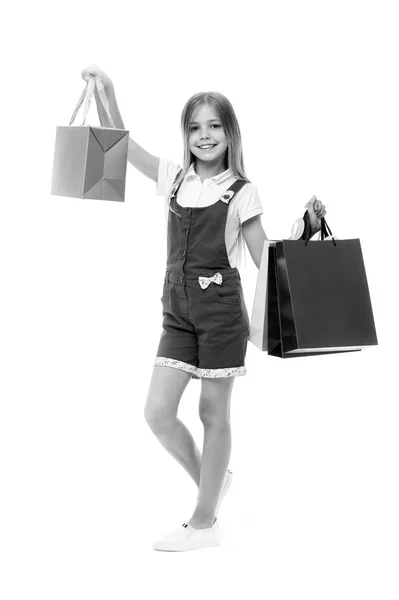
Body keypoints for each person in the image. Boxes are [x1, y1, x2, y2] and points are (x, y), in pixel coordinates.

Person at [81, 64, 327, 552]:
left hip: (220, 315)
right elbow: (122, 148)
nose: (204, 135)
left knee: (213, 412)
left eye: (215, 125)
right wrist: (109, 92)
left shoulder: (241, 190)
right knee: (156, 411)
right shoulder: (175, 178)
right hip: (176, 310)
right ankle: (214, 483)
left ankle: (203, 523)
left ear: (230, 132)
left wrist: (304, 231)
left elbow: (263, 258)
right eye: (195, 127)